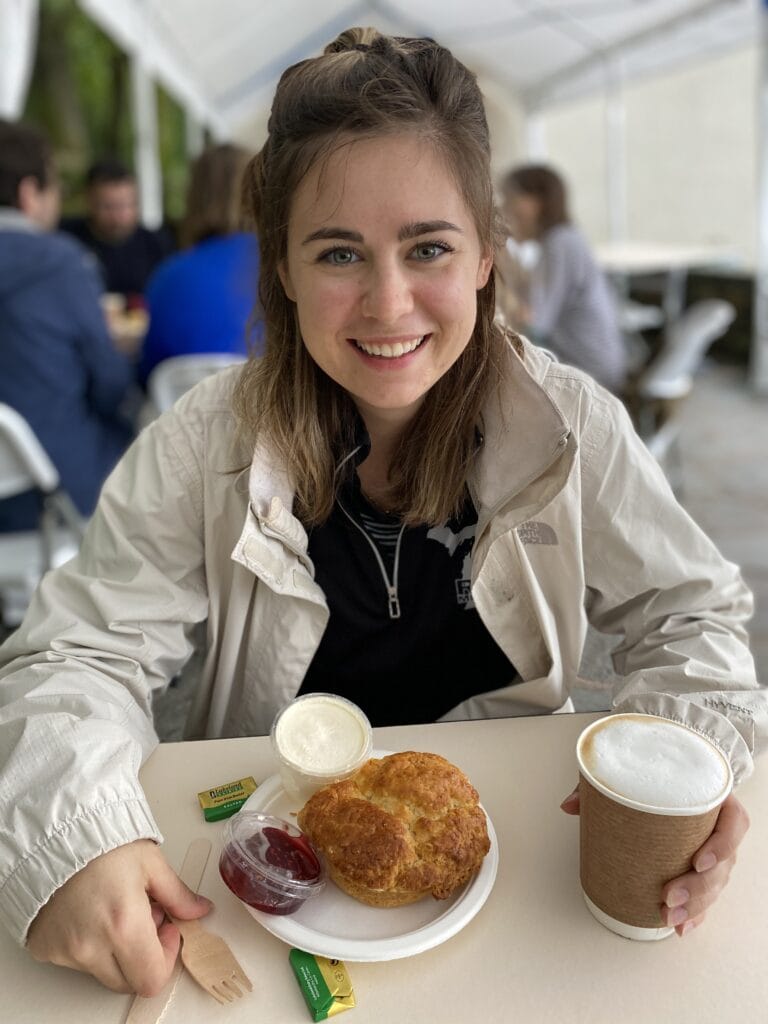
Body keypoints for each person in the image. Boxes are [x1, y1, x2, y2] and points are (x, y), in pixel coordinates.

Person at [0, 28, 763, 997]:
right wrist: (73, 837)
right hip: (267, 898)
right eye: (338, 253)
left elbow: (692, 617)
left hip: (529, 875)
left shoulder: (571, 426)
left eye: (429, 247)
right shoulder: (203, 444)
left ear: (487, 254)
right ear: (279, 266)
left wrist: (691, 769)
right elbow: (76, 654)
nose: (389, 302)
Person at [0, 120, 135, 530]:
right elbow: (109, 383)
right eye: (54, 185)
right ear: (29, 193)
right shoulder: (62, 264)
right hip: (53, 497)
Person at [137, 143, 263, 384]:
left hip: (188, 416)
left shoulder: (168, 276)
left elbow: (149, 372)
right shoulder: (283, 270)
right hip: (274, 415)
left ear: (194, 197)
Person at [499, 163, 627, 393]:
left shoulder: (559, 244)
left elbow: (535, 324)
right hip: (596, 362)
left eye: (510, 198)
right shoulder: (565, 239)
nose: (504, 209)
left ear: (536, 202)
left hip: (590, 372)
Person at [60, 158, 175, 301]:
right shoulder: (67, 241)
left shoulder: (157, 245)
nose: (117, 217)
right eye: (108, 207)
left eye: (124, 206)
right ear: (89, 202)